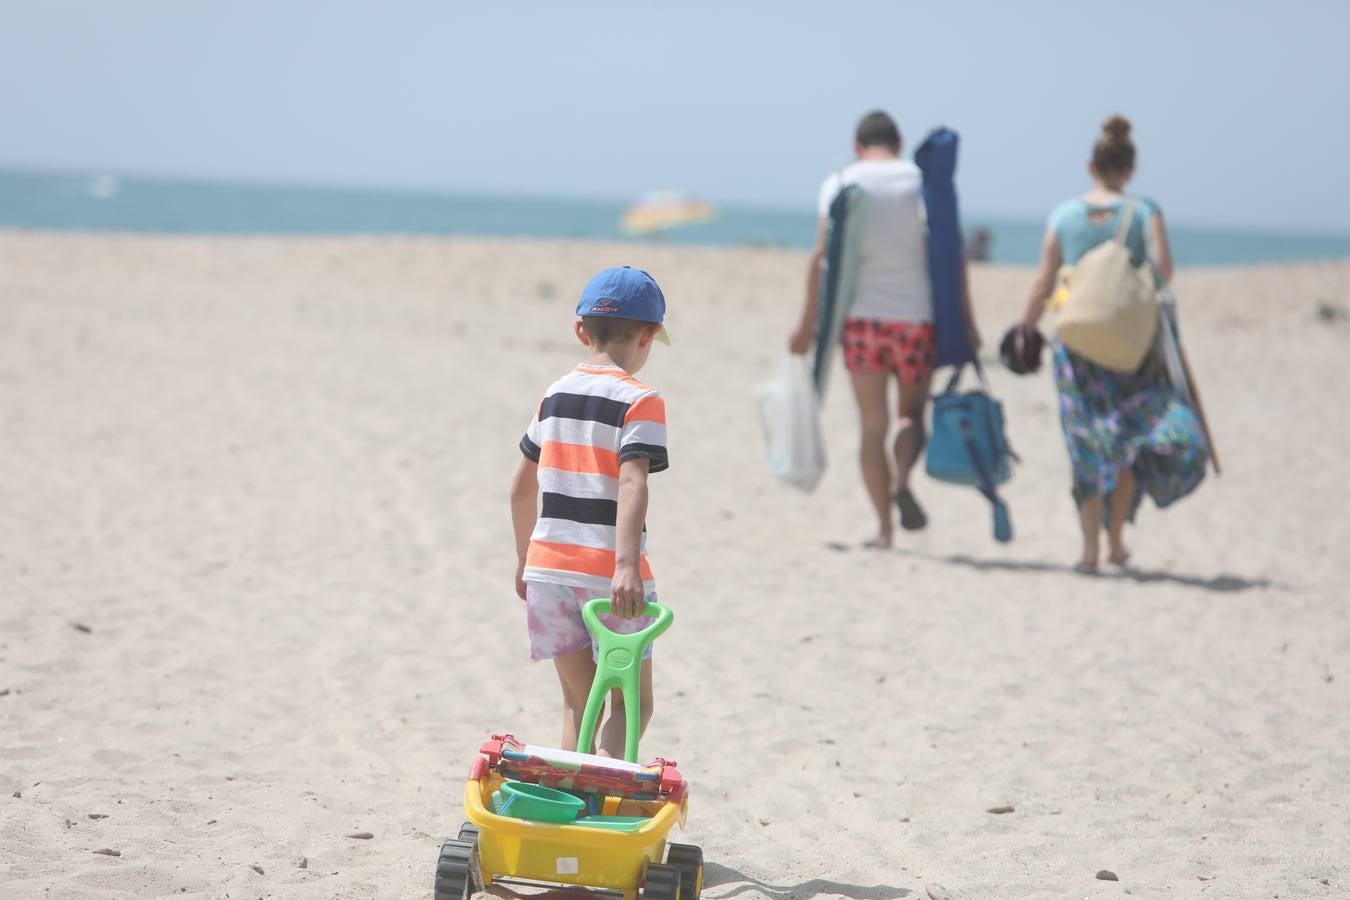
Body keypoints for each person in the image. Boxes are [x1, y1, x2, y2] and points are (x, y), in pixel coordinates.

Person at [1016, 115, 1208, 573]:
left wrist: (1025, 327)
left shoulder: (1064, 216)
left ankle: (1087, 551)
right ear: (1130, 169)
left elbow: (1043, 281)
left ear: (1091, 166)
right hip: (1130, 345)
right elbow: (1164, 271)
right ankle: (1115, 540)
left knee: (1085, 441)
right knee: (1124, 439)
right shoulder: (1144, 212)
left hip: (1077, 346)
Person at [789, 110, 980, 548]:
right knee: (910, 416)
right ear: (899, 142)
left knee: (871, 427)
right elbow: (952, 254)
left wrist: (806, 325)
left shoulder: (841, 182)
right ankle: (903, 480)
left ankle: (884, 528)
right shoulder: (920, 181)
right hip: (917, 322)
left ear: (858, 146)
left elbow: (822, 257)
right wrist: (967, 321)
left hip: (861, 324)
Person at [509, 266, 671, 753]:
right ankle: (601, 781)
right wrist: (625, 565)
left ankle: (571, 803)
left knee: (580, 704)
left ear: (580, 331)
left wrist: (525, 560)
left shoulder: (554, 395)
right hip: (607, 575)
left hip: (547, 570)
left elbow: (520, 488)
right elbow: (631, 479)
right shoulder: (640, 400)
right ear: (648, 336)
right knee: (630, 702)